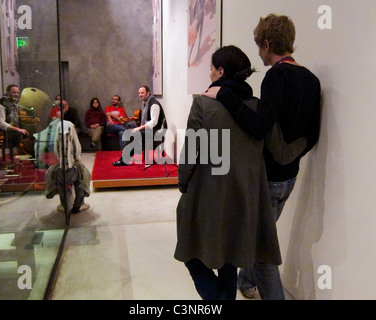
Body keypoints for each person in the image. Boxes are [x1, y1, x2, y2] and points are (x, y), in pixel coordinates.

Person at [203, 15, 321, 300]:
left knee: (261, 254)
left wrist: (223, 95)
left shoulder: (276, 77)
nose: (258, 53)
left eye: (259, 47)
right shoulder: (311, 79)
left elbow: (258, 126)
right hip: (290, 178)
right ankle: (245, 282)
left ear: (268, 44)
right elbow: (312, 136)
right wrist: (288, 157)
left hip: (268, 179)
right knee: (262, 236)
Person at [174, 45, 284, 300]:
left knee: (192, 255)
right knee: (230, 257)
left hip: (208, 192)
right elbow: (274, 149)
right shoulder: (256, 107)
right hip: (244, 195)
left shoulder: (202, 104)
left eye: (211, 69)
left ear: (221, 71)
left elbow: (190, 153)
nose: (209, 74)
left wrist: (183, 184)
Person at [44, 115, 91, 215]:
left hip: (60, 166)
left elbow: (56, 150)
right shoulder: (69, 130)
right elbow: (76, 148)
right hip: (72, 167)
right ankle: (79, 204)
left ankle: (64, 204)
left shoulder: (58, 132)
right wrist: (77, 160)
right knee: (83, 176)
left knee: (57, 178)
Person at [112, 86, 166, 166]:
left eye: (142, 93)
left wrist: (140, 128)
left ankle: (125, 159)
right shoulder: (145, 103)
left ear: (148, 93)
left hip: (156, 131)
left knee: (134, 134)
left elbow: (154, 122)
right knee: (131, 130)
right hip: (150, 130)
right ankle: (125, 158)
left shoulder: (154, 104)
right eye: (139, 93)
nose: (140, 95)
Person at [0, 84, 29, 165]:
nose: (16, 95)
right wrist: (18, 129)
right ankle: (2, 165)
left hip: (10, 134)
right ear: (7, 92)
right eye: (14, 92)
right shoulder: (0, 105)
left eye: (17, 93)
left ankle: (13, 163)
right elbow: (1, 123)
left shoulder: (13, 104)